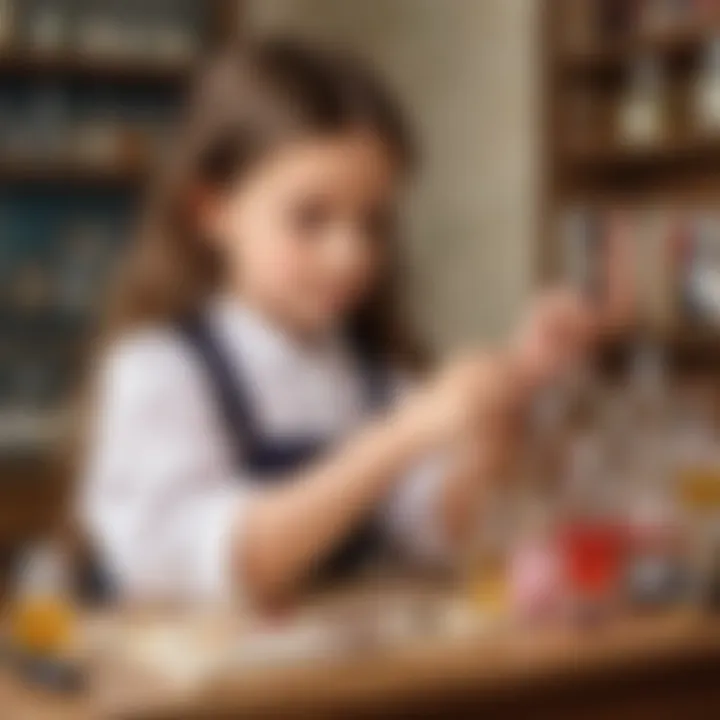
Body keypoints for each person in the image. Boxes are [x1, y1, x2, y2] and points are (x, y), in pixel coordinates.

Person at [79, 39, 595, 608]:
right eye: (310, 219)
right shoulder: (158, 372)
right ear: (213, 211)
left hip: (330, 686)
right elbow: (238, 561)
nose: (350, 254)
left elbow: (446, 535)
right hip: (192, 692)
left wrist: (504, 403)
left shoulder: (368, 373)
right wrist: (400, 436)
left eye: (371, 222)